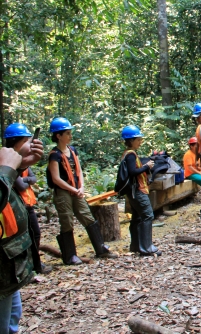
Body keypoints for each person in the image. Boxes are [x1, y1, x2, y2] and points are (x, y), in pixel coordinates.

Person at [47, 117, 116, 264]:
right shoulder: (55, 154)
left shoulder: (73, 151)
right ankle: (70, 255)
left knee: (88, 217)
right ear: (58, 136)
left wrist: (81, 187)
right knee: (67, 221)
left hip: (76, 190)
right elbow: (56, 179)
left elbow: (79, 171)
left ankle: (100, 248)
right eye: (67, 133)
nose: (70, 136)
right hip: (63, 192)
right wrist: (73, 189)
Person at [0, 128, 43, 334]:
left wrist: (20, 165)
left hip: (9, 261)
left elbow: (26, 181)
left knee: (13, 315)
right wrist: (8, 169)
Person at [4, 123, 52, 275]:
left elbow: (32, 178)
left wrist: (24, 166)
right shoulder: (6, 162)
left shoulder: (17, 162)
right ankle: (28, 267)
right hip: (16, 210)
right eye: (27, 141)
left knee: (34, 234)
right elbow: (21, 185)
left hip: (28, 205)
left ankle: (35, 264)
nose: (31, 144)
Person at [121, 125, 161, 257]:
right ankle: (146, 247)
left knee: (137, 217)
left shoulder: (128, 154)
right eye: (138, 139)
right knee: (147, 215)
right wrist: (146, 167)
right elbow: (133, 172)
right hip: (137, 191)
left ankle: (136, 245)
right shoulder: (130, 155)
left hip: (134, 190)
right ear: (131, 141)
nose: (140, 142)